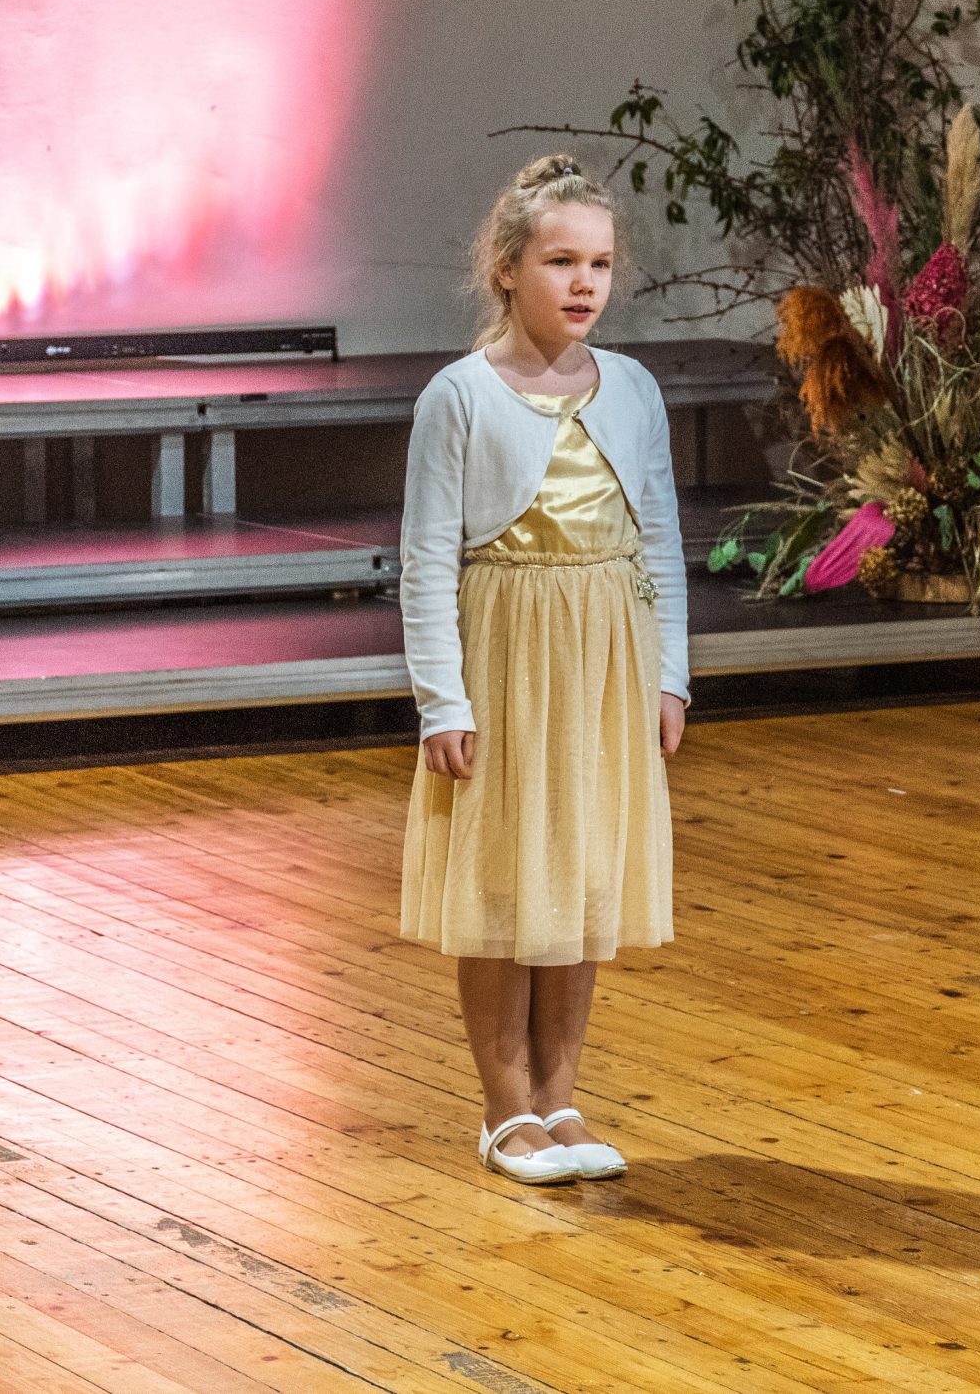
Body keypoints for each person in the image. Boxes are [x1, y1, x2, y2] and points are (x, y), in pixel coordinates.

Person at [399, 154, 689, 1185]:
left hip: (605, 649)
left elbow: (659, 538)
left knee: (579, 869)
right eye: (561, 261)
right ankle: (504, 1108)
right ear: (507, 269)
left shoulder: (633, 389)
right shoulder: (460, 396)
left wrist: (670, 675)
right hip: (508, 647)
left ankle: (561, 1098)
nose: (583, 283)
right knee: (504, 873)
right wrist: (443, 699)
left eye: (600, 264)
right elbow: (427, 558)